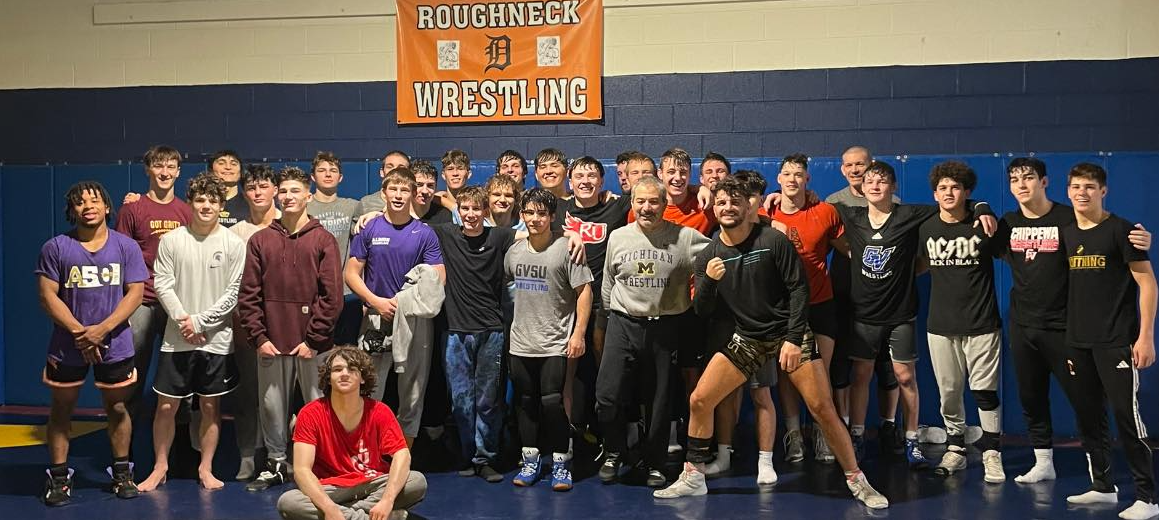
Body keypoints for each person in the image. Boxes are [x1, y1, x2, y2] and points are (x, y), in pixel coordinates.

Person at [654, 177, 887, 510]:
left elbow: (799, 290)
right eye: (721, 203)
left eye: (734, 201)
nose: (727, 207)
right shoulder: (709, 254)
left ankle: (856, 478)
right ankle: (693, 475)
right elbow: (702, 310)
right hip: (747, 338)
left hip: (789, 333)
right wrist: (710, 282)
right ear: (715, 209)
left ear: (749, 207)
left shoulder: (773, 240)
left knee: (822, 408)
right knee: (700, 400)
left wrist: (793, 339)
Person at [996, 158, 1150, 483]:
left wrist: (1139, 237)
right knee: (1031, 395)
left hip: (1068, 327)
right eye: (1014, 180)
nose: (1022, 185)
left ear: (1045, 182)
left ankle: (1109, 477)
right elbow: (978, 236)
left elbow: (1105, 231)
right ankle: (1045, 462)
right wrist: (981, 207)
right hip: (1024, 324)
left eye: (1028, 178)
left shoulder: (1069, 217)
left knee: (1088, 404)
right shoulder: (1007, 223)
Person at [834, 160, 996, 469]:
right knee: (861, 375)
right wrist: (774, 197)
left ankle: (910, 440)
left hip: (901, 314)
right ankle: (855, 437)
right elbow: (811, 211)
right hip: (864, 315)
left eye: (882, 181)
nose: (875, 185)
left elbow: (951, 203)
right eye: (870, 181)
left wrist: (983, 207)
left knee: (905, 377)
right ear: (862, 188)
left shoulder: (910, 215)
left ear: (893, 187)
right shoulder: (851, 216)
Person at [596, 175, 709, 488]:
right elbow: (608, 283)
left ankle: (655, 462)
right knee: (607, 396)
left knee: (659, 401)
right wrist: (615, 313)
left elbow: (720, 254)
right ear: (632, 204)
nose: (647, 208)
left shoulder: (685, 237)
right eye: (640, 201)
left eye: (654, 201)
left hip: (666, 327)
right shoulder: (618, 237)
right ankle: (614, 451)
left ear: (664, 204)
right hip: (622, 322)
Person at [38, 181, 148, 506]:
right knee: (61, 409)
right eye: (81, 202)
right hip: (68, 344)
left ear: (107, 207)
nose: (88, 206)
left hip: (114, 342)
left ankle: (122, 472)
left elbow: (136, 293)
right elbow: (47, 296)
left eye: (95, 201)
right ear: (72, 210)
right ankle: (59, 478)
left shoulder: (126, 246)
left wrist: (102, 330)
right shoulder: (56, 247)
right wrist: (80, 332)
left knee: (117, 407)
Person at [1060, 163, 1157, 520]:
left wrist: (1145, 337)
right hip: (1078, 341)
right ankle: (1102, 486)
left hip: (1116, 340)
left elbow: (1147, 284)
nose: (1082, 192)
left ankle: (1147, 497)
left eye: (1090, 186)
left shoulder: (1122, 231)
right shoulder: (1068, 233)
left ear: (1103, 191)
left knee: (1127, 418)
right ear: (1068, 192)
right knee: (1089, 418)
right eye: (1076, 187)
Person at [238, 166, 343, 492]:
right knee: (271, 407)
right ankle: (275, 464)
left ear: (308, 195)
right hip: (271, 344)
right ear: (277, 196)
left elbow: (333, 296)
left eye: (295, 191)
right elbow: (249, 295)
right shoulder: (260, 240)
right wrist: (259, 338)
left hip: (312, 346)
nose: (288, 197)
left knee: (319, 406)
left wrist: (314, 338)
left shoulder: (323, 239)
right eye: (283, 191)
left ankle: (321, 465)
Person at [138, 173, 246, 492]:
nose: (206, 206)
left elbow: (233, 292)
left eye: (213, 200)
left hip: (216, 340)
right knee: (166, 406)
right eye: (200, 199)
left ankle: (206, 468)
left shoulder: (232, 243)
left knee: (210, 406)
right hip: (177, 338)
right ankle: (160, 467)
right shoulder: (172, 240)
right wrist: (184, 319)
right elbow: (163, 284)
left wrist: (199, 323)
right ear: (191, 202)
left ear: (221, 205)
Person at [916, 161, 1005, 482]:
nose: (948, 193)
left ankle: (992, 450)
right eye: (942, 188)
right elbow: (918, 265)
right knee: (949, 392)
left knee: (984, 390)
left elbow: (1013, 251)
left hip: (982, 322)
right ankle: (956, 448)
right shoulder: (926, 228)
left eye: (955, 187)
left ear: (966, 192)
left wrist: (984, 208)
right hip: (940, 324)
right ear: (935, 194)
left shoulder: (985, 224)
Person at [346, 167, 445, 445]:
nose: (399, 195)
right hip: (376, 319)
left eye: (405, 190)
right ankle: (366, 455)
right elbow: (351, 273)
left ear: (413, 195)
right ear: (383, 193)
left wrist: (405, 302)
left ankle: (404, 458)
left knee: (412, 393)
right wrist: (375, 301)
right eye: (394, 189)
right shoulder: (370, 228)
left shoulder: (424, 233)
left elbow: (438, 278)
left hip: (413, 322)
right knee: (368, 388)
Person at [506, 188, 594, 491]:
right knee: (526, 402)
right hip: (520, 342)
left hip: (555, 341)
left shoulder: (566, 248)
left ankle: (560, 463)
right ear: (522, 216)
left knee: (552, 402)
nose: (535, 218)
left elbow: (584, 291)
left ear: (551, 217)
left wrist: (579, 333)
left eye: (541, 213)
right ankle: (530, 459)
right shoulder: (514, 251)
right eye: (529, 213)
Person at [702, 170, 788, 480]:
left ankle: (765, 461)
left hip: (760, 329)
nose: (733, 205)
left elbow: (794, 286)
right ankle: (724, 455)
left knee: (761, 393)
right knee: (723, 395)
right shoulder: (717, 239)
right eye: (723, 200)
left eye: (749, 197)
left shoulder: (769, 233)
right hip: (727, 327)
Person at [275, 347, 427, 520]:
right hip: (331, 488)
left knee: (416, 481)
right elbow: (302, 470)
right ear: (329, 379)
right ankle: (386, 517)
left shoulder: (379, 411)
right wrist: (329, 507)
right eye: (337, 369)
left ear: (362, 378)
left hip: (371, 482)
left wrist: (387, 501)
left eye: (352, 369)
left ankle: (348, 515)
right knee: (289, 502)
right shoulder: (310, 413)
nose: (344, 374)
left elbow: (402, 455)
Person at [431, 186, 516, 482]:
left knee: (489, 399)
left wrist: (569, 235)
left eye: (476, 209)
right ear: (458, 211)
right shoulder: (446, 234)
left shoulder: (500, 236)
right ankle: (468, 455)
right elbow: (407, 220)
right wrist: (370, 216)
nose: (470, 215)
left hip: (491, 330)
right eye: (464, 209)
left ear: (485, 211)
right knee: (461, 400)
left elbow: (535, 234)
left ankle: (486, 458)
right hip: (455, 331)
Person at [822, 145, 901, 462]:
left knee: (887, 367)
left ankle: (889, 426)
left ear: (872, 167)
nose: (855, 170)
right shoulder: (833, 202)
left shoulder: (892, 202)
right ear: (842, 170)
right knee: (841, 364)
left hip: (883, 298)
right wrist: (855, 253)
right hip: (843, 294)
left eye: (861, 165)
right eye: (849, 165)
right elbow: (828, 236)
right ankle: (843, 428)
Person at [227, 163, 281, 481]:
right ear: (245, 193)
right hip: (247, 324)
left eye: (264, 186)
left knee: (285, 394)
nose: (258, 192)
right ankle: (248, 454)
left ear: (275, 189)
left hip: (286, 325)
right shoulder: (234, 234)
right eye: (252, 187)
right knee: (248, 392)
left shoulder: (290, 225)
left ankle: (282, 455)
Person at [309, 151, 362, 346]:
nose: (328, 174)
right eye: (322, 170)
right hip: (313, 294)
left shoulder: (353, 206)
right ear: (313, 177)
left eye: (333, 170)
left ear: (340, 177)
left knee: (346, 351)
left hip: (346, 293)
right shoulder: (304, 207)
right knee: (316, 351)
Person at [357, 151, 412, 215]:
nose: (395, 171)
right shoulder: (366, 203)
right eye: (390, 167)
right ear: (382, 172)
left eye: (401, 168)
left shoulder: (416, 203)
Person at [208, 150, 250, 228]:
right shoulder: (202, 202)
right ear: (210, 170)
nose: (228, 167)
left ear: (241, 172)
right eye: (221, 163)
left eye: (233, 164)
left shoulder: (251, 204)